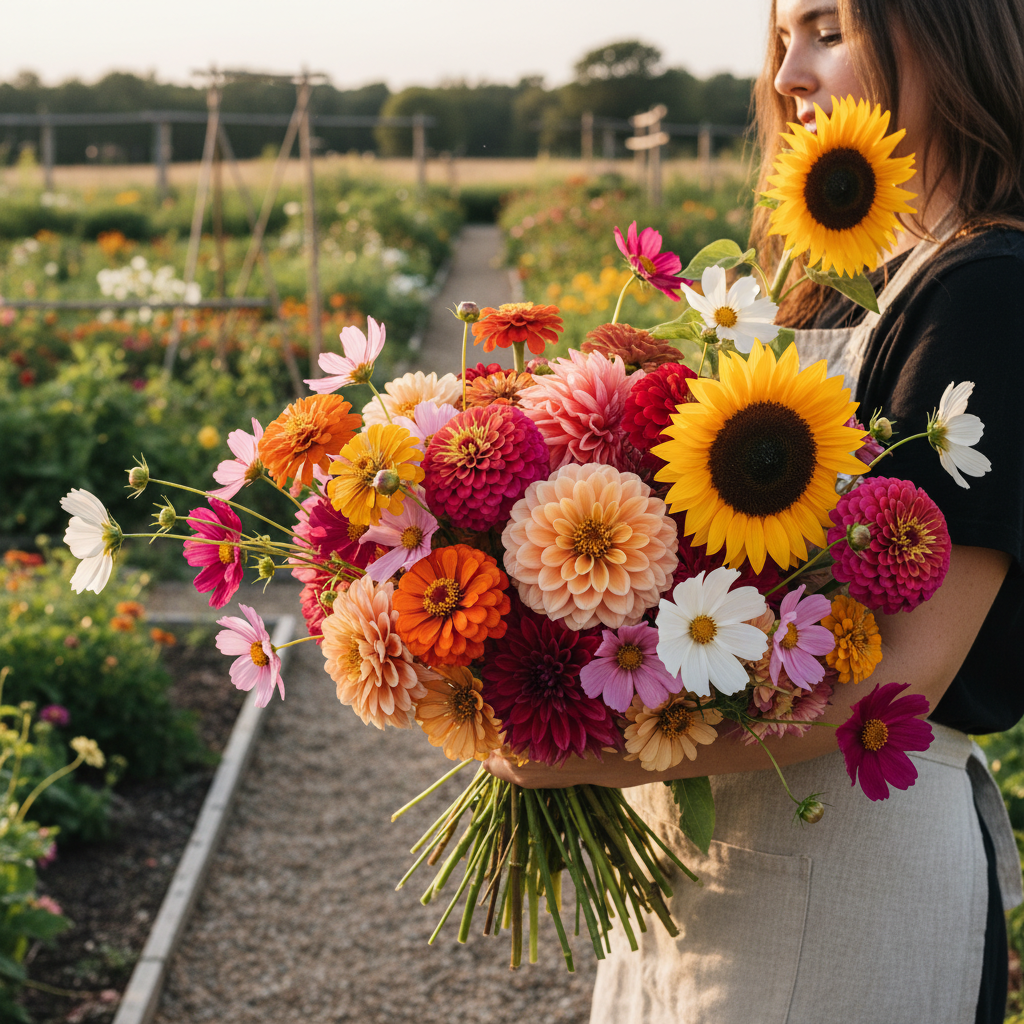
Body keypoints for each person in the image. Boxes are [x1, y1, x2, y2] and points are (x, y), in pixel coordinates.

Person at [485, 1, 1024, 1020]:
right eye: (780, 40)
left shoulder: (986, 295)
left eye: (825, 28)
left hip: (860, 858)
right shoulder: (846, 287)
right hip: (728, 840)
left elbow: (900, 677)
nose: (786, 77)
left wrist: (589, 747)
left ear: (946, 31)